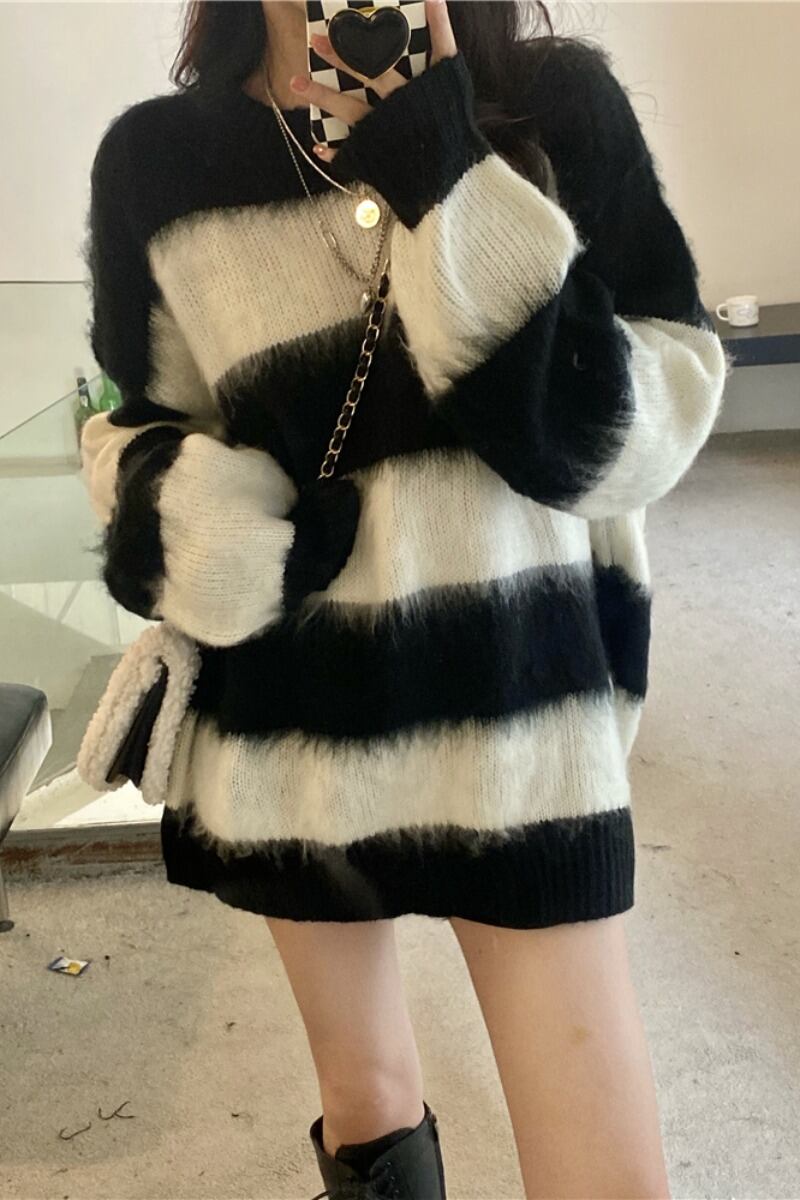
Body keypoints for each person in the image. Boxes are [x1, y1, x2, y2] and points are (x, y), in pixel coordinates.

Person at [79, 1, 730, 1196]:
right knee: (366, 1106)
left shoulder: (554, 109)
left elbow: (633, 431)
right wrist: (215, 531)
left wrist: (438, 160)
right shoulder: (159, 161)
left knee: (601, 1163)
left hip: (522, 723)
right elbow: (143, 423)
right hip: (292, 727)